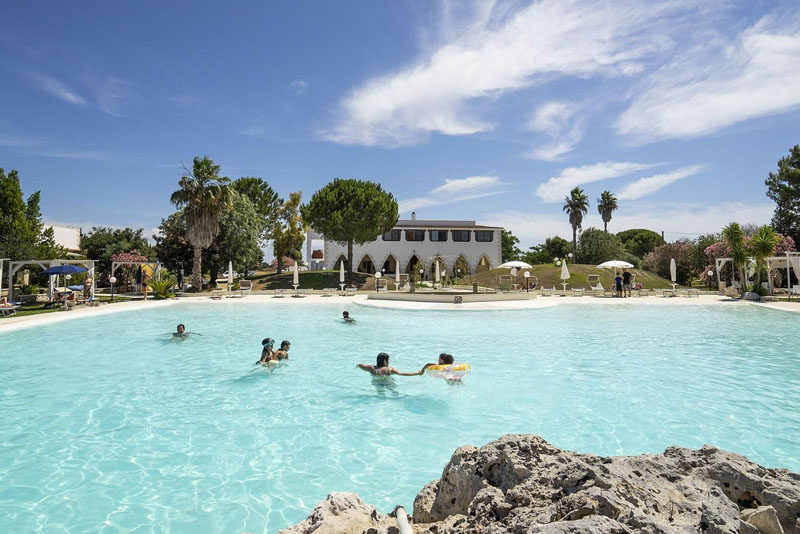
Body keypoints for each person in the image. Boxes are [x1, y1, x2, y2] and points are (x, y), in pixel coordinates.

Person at [357, 353, 424, 376]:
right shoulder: (389, 369)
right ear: (385, 361)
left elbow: (360, 365)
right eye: (388, 360)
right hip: (388, 384)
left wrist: (357, 366)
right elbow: (403, 374)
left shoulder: (371, 368)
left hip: (377, 384)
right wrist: (418, 373)